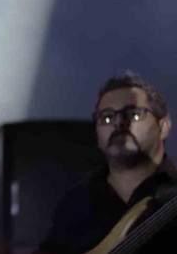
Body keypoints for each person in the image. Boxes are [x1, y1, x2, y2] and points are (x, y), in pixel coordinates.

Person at [37, 72, 177, 253]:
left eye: (134, 114)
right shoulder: (75, 202)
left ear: (163, 126)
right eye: (107, 117)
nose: (118, 123)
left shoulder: (171, 195)